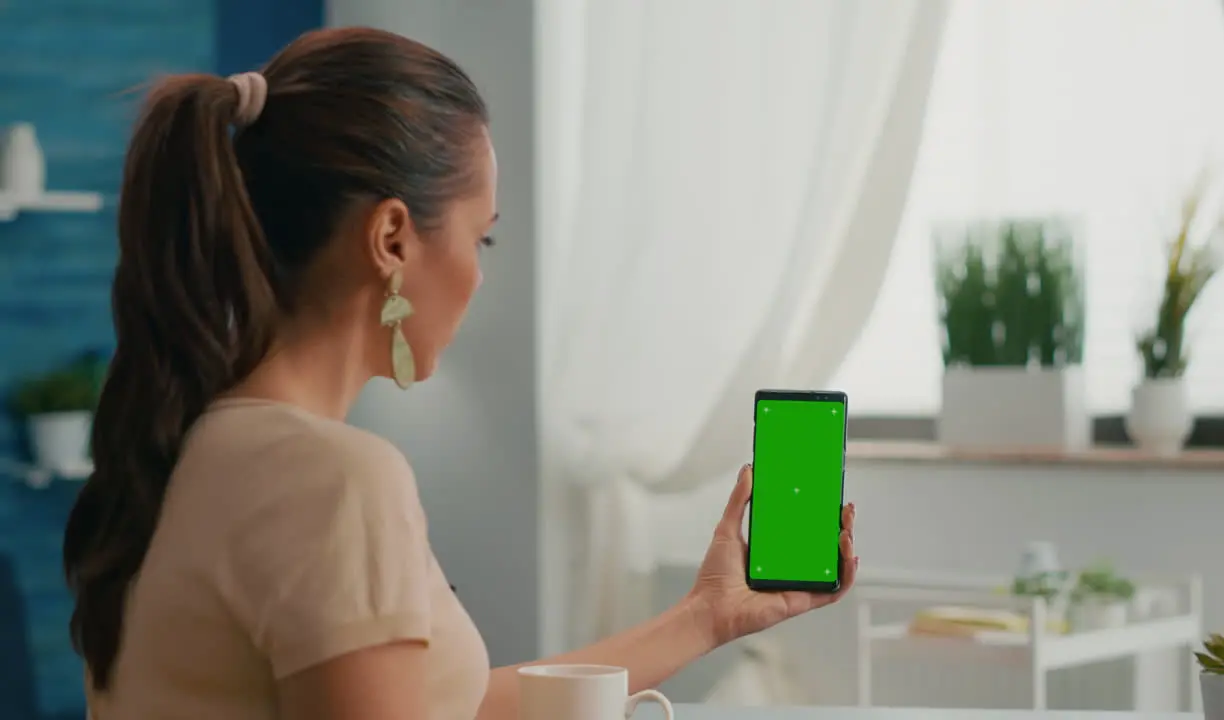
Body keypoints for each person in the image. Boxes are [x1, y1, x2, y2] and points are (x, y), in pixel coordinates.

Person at [62, 26, 859, 720]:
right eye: (483, 239)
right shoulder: (333, 479)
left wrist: (708, 616)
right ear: (392, 239)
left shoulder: (197, 444)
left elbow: (452, 705)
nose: (479, 276)